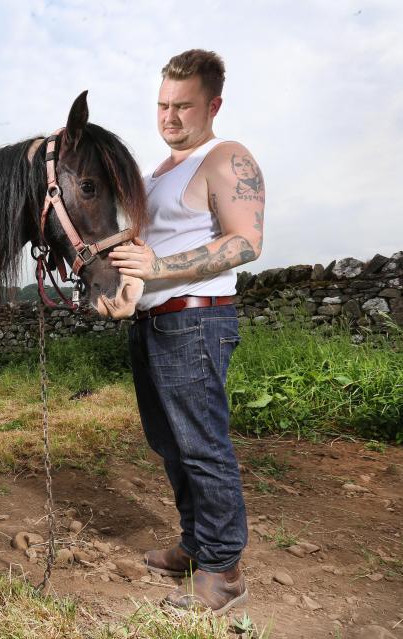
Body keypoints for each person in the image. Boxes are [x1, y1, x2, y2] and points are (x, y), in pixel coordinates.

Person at [108, 49, 265, 615]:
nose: (169, 117)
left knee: (201, 445)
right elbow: (148, 254)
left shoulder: (225, 157)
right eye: (162, 104)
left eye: (183, 106)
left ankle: (223, 571)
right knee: (168, 442)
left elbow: (246, 240)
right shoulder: (157, 173)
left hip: (197, 318)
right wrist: (129, 296)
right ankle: (197, 544)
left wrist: (157, 273)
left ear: (213, 104)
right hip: (153, 322)